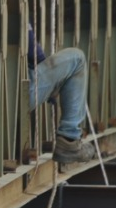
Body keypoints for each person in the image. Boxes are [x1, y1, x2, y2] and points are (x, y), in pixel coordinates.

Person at [28, 25, 97, 165]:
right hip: (15, 95)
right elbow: (29, 44)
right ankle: (69, 139)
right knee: (77, 58)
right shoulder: (11, 4)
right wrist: (54, 81)